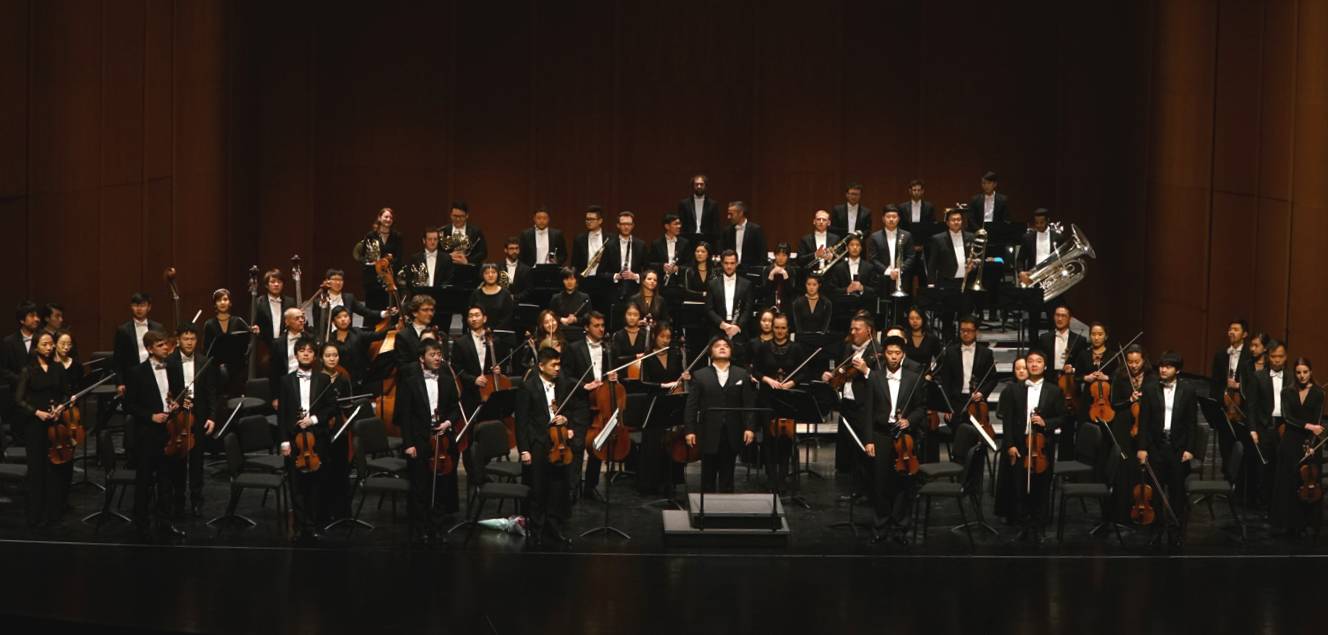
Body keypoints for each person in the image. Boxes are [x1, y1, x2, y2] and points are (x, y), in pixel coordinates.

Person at [516, 347, 589, 545]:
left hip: (558, 442)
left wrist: (566, 420)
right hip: (538, 443)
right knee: (538, 488)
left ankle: (554, 528)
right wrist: (524, 449)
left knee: (558, 488)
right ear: (541, 366)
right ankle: (537, 530)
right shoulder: (528, 387)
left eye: (559, 364)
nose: (558, 368)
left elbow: (570, 410)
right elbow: (521, 422)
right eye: (553, 365)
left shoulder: (562, 384)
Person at [997, 350, 1068, 541]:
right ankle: (1023, 525)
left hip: (1042, 445)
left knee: (1042, 487)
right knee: (1020, 486)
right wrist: (1010, 445)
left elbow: (1063, 417)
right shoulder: (1013, 390)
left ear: (1045, 366)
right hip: (1020, 444)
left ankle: (1040, 526)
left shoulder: (1054, 390)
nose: (1034, 364)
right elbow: (1008, 420)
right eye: (1030, 361)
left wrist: (1046, 423)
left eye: (1038, 361)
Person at [397, 338, 462, 544]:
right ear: (421, 358)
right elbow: (405, 416)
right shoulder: (410, 382)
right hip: (419, 440)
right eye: (432, 355)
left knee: (441, 486)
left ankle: (438, 527)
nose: (437, 358)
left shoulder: (447, 380)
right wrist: (408, 444)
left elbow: (455, 409)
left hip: (442, 441)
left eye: (439, 354)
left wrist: (447, 423)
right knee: (420, 487)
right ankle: (420, 528)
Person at [124, 330, 186, 542]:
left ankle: (165, 523)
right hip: (147, 433)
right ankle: (141, 525)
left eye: (166, 344)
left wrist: (177, 404)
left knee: (166, 480)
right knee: (144, 480)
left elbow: (180, 394)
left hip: (170, 431)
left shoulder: (173, 368)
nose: (166, 348)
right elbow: (129, 405)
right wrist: (150, 416)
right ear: (150, 349)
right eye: (160, 345)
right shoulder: (136, 372)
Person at [865, 336, 926, 542]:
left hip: (904, 436)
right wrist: (868, 440)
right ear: (884, 354)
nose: (893, 357)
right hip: (881, 434)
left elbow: (921, 407)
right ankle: (881, 524)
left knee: (903, 481)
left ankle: (901, 525)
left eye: (897, 353)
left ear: (903, 355)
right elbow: (868, 411)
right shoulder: (874, 377)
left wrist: (910, 420)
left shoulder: (913, 378)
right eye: (890, 353)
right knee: (880, 481)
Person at [1135, 351, 1199, 545]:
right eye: (1161, 366)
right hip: (1156, 446)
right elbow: (1143, 421)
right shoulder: (1150, 388)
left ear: (1177, 370)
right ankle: (1156, 529)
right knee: (1155, 492)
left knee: (1177, 493)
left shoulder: (1188, 390)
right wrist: (1142, 447)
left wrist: (1190, 448)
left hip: (1178, 448)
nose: (1163, 369)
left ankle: (1175, 531)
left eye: (1168, 366)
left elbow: (1192, 423)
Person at [683, 337, 756, 493]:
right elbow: (691, 406)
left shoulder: (742, 374)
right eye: (718, 345)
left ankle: (726, 504)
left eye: (726, 346)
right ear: (711, 351)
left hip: (732, 430)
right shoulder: (700, 375)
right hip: (708, 430)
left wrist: (749, 427)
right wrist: (690, 430)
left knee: (728, 475)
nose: (722, 347)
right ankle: (706, 506)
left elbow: (748, 404)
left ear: (731, 351)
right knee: (707, 476)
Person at [14, 331, 69, 528]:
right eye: (45, 344)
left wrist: (61, 408)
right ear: (36, 347)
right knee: (37, 470)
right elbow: (19, 400)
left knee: (54, 469)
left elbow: (65, 393)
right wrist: (37, 413)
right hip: (35, 425)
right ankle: (35, 516)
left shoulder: (57, 368)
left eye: (51, 344)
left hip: (54, 425)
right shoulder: (28, 370)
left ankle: (53, 515)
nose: (49, 347)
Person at [166, 324, 218, 518]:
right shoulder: (169, 362)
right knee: (178, 459)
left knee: (197, 460)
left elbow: (211, 392)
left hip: (200, 413)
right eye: (186, 339)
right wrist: (176, 403)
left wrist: (212, 417)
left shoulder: (205, 361)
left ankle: (197, 500)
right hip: (178, 415)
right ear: (178, 340)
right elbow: (166, 391)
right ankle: (178, 500)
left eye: (193, 339)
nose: (189, 342)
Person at [1269, 357, 1324, 538]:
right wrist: (1308, 426)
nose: (1302, 376)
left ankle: (1307, 522)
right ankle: (1288, 523)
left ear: (1310, 372)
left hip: (1309, 443)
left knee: (1308, 482)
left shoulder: (1318, 393)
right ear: (1295, 373)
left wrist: (1312, 445)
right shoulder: (1287, 392)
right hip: (1290, 442)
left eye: (1305, 372)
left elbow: (1318, 420)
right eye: (1299, 372)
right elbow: (1288, 418)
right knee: (1288, 482)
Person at [638, 322, 690, 495]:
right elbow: (643, 383)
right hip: (654, 403)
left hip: (671, 402)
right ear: (654, 336)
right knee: (654, 443)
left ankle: (671, 481)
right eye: (662, 337)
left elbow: (679, 376)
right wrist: (662, 385)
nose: (665, 340)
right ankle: (651, 483)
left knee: (672, 442)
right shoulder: (647, 357)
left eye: (668, 337)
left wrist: (684, 377)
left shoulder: (675, 354)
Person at [314, 342, 355, 523]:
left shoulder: (343, 377)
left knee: (340, 468)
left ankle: (341, 512)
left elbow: (347, 406)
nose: (332, 359)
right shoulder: (316, 378)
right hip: (321, 427)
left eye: (335, 355)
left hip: (339, 426)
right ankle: (322, 512)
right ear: (321, 358)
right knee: (324, 469)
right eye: (328, 355)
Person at [112, 293, 163, 399]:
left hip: (155, 374)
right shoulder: (123, 330)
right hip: (132, 377)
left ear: (149, 307)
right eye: (136, 305)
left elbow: (164, 353)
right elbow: (118, 359)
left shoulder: (158, 328)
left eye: (143, 305)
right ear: (131, 307)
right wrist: (119, 383)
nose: (139, 309)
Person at [357, 207, 404, 310]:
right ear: (379, 218)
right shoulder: (371, 235)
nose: (388, 219)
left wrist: (386, 265)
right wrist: (374, 264)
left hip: (390, 278)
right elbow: (364, 256)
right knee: (373, 309)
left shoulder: (397, 236)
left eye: (391, 218)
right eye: (386, 217)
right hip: (373, 279)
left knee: (391, 309)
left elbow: (399, 257)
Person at [677, 173, 722, 247]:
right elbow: (681, 223)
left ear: (705, 186)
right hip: (688, 240)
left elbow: (716, 225)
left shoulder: (713, 204)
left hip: (707, 240)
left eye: (701, 184)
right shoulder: (684, 204)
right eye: (696, 184)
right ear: (693, 186)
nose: (699, 186)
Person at [721, 201, 767, 271]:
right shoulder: (727, 231)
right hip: (731, 270)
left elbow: (762, 254)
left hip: (751, 271)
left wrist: (758, 271)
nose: (728, 217)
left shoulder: (755, 230)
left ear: (740, 213)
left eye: (731, 214)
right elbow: (723, 251)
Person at [468, 264, 515, 330]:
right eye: (487, 273)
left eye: (493, 272)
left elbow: (508, 317)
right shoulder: (476, 294)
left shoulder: (505, 294)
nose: (490, 275)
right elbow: (471, 314)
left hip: (500, 332)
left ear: (498, 274)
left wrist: (494, 330)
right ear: (482, 275)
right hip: (479, 331)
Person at [442, 201, 487, 265]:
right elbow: (436, 252)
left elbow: (483, 253)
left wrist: (467, 260)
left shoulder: (476, 232)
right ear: (450, 215)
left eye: (461, 216)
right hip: (447, 269)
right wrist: (448, 256)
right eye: (455, 216)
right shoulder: (443, 231)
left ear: (467, 216)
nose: (458, 219)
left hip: (469, 269)